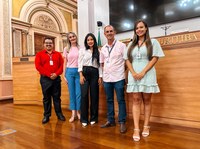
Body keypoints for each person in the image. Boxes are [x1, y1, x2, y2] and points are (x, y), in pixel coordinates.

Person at [124, 20, 165, 141]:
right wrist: (133, 72)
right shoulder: (131, 44)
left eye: (141, 27)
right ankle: (136, 128)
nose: (139, 30)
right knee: (136, 100)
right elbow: (127, 60)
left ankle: (146, 126)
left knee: (147, 100)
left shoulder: (153, 42)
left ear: (146, 28)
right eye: (137, 28)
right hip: (134, 74)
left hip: (147, 74)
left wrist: (143, 72)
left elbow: (155, 58)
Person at [100, 25, 127, 133]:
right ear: (104, 34)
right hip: (107, 78)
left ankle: (122, 121)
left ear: (114, 32)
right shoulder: (103, 48)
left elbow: (126, 61)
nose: (109, 33)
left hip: (119, 77)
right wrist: (106, 72)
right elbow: (102, 63)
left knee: (121, 100)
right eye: (107, 31)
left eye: (111, 31)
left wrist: (121, 72)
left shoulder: (121, 45)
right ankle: (111, 120)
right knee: (109, 100)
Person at [35, 37, 66, 124]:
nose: (48, 44)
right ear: (44, 44)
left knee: (57, 98)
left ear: (53, 44)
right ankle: (46, 115)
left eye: (50, 43)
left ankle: (59, 114)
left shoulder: (58, 54)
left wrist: (56, 74)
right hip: (45, 80)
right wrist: (49, 74)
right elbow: (38, 66)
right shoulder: (39, 54)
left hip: (56, 79)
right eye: (46, 43)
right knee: (46, 98)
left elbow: (61, 66)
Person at [78, 33, 102, 127]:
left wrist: (100, 77)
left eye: (91, 39)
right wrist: (80, 75)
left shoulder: (98, 51)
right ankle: (84, 118)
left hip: (95, 73)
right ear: (86, 41)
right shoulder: (82, 50)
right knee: (84, 96)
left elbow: (100, 65)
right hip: (85, 72)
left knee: (94, 96)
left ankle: (93, 118)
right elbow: (79, 63)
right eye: (88, 40)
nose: (90, 41)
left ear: (94, 41)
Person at [63, 32, 81, 123]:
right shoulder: (66, 49)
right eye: (70, 37)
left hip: (78, 72)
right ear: (68, 39)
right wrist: (64, 74)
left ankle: (78, 112)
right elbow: (65, 62)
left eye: (73, 36)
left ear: (76, 37)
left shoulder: (80, 48)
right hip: (69, 72)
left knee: (78, 93)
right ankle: (73, 113)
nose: (72, 38)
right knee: (72, 93)